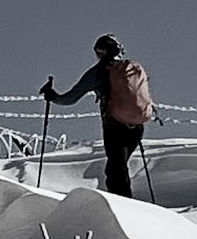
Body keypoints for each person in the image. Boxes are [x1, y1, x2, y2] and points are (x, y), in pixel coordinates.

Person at [40, 35, 154, 198]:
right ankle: (126, 204)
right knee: (119, 167)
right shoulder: (132, 69)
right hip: (137, 126)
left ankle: (123, 208)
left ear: (102, 52)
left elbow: (71, 98)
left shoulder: (98, 72)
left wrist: (53, 96)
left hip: (114, 127)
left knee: (116, 169)